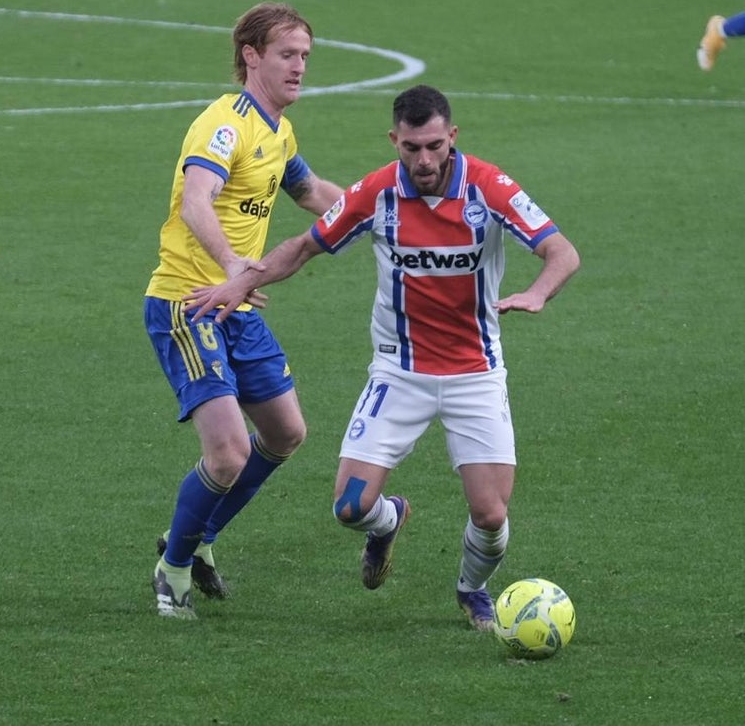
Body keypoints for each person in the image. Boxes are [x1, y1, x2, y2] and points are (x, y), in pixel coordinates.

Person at [185, 84, 580, 630]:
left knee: (490, 515)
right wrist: (240, 281)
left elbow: (562, 251)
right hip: (400, 373)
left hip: (475, 374)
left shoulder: (490, 188)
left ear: (452, 138)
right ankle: (387, 522)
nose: (424, 160)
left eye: (435, 146)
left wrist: (539, 291)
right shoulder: (377, 193)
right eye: (411, 147)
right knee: (348, 507)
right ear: (395, 139)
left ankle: (472, 589)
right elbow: (303, 247)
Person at [144, 2, 344, 619]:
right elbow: (196, 202)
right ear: (251, 56)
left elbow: (312, 193)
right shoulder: (224, 125)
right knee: (228, 452)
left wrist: (385, 207)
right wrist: (234, 263)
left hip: (236, 306)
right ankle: (172, 567)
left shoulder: (278, 131)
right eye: (288, 54)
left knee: (286, 433)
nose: (300, 67)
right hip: (188, 300)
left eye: (306, 56)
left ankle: (200, 540)